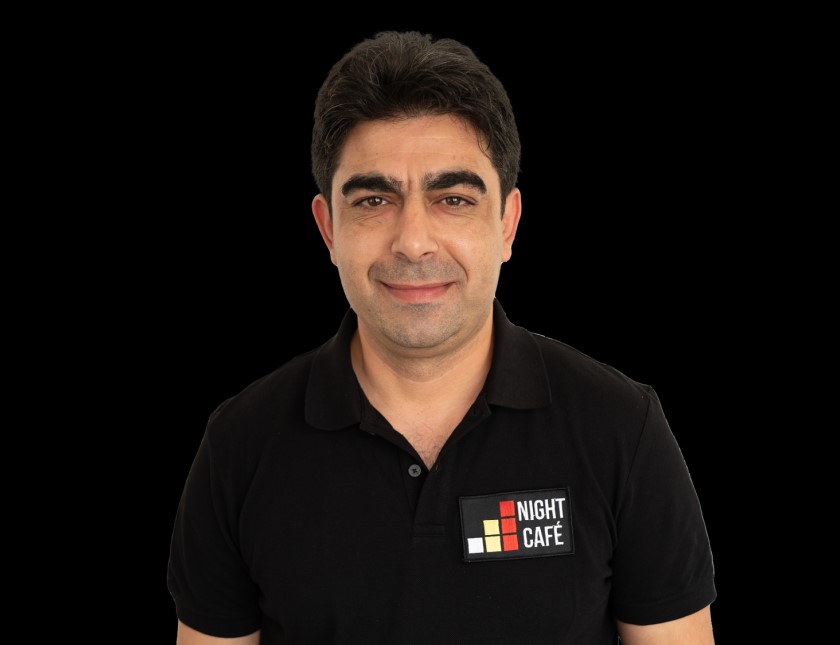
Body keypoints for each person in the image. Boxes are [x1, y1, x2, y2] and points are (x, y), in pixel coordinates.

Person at [167, 30, 716, 644]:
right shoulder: (240, 444)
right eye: (374, 200)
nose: (413, 241)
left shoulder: (620, 428)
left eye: (452, 198)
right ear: (328, 230)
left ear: (507, 224)